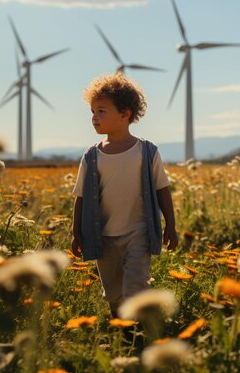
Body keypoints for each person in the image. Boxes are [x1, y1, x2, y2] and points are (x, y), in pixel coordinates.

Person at [71, 73, 178, 318]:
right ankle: (120, 326)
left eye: (101, 111)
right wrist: (76, 231)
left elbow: (162, 189)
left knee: (135, 285)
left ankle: (135, 332)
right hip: (103, 235)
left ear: (125, 114)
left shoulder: (147, 151)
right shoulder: (91, 156)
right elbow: (81, 197)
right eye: (92, 112)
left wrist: (170, 225)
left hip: (138, 231)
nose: (94, 118)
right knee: (113, 291)